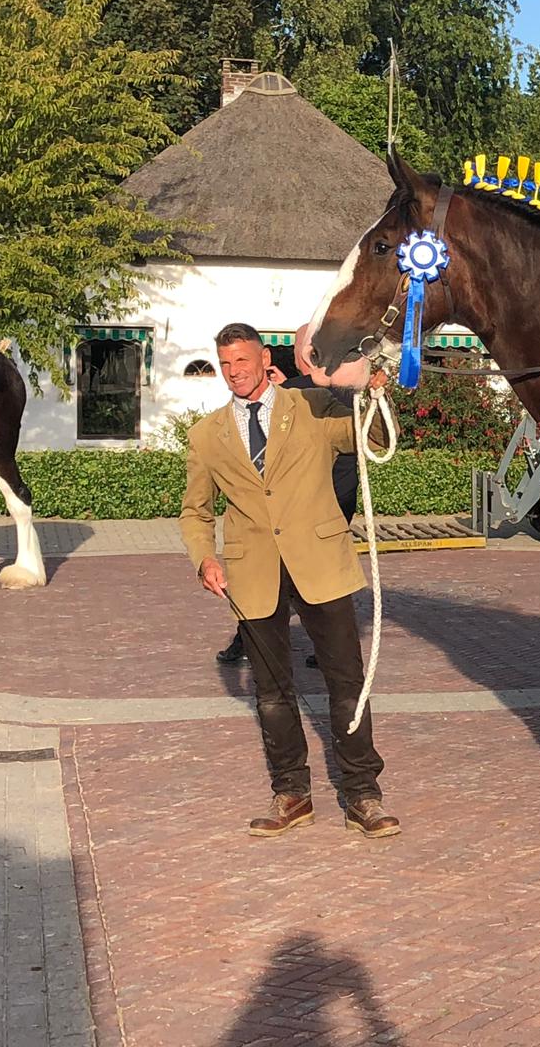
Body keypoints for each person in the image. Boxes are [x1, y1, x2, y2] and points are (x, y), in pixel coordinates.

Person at [180, 322, 400, 839]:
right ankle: (292, 794)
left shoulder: (311, 409)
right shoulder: (206, 435)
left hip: (320, 565)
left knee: (345, 684)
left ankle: (363, 795)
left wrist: (373, 395)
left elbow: (371, 441)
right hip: (252, 572)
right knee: (273, 693)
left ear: (262, 360)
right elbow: (195, 512)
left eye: (242, 361)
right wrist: (203, 559)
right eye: (226, 363)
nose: (234, 372)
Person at [216, 324, 358, 666]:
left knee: (270, 574)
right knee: (321, 575)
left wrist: (277, 388)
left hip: (301, 503)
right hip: (343, 494)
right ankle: (327, 649)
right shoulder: (349, 390)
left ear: (304, 353)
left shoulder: (296, 394)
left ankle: (250, 640)